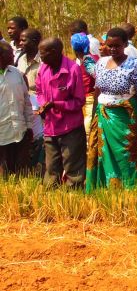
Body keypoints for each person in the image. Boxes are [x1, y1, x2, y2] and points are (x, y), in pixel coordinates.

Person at [86, 28, 137, 191]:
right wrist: (94, 118)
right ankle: (106, 191)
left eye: (117, 46)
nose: (113, 49)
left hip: (126, 119)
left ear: (125, 44)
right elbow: (97, 91)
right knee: (104, 155)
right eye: (110, 45)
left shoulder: (135, 65)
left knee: (126, 156)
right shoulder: (100, 63)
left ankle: (129, 192)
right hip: (103, 118)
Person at [36, 38, 86, 187]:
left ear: (54, 52)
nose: (40, 56)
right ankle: (51, 198)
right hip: (50, 126)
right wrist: (43, 104)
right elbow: (39, 91)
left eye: (42, 52)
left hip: (70, 127)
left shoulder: (73, 69)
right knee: (51, 167)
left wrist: (56, 104)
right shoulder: (43, 69)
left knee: (73, 166)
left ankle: (74, 197)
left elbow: (78, 101)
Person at [0, 42, 33, 176]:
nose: (14, 55)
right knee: (4, 170)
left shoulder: (17, 73)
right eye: (10, 54)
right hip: (2, 131)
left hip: (19, 130)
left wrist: (29, 125)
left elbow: (26, 101)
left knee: (21, 170)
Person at [18, 29, 44, 170]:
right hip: (24, 103)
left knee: (40, 139)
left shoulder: (44, 59)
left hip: (40, 105)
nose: (20, 43)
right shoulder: (20, 59)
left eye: (24, 40)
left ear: (34, 42)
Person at [71, 32, 99, 135]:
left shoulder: (87, 60)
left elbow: (98, 77)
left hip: (89, 98)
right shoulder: (86, 58)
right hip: (84, 98)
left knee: (89, 128)